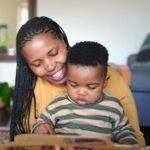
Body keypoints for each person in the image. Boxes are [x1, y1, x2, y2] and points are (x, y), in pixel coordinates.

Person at [10, 16, 144, 146]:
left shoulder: (111, 89)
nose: (50, 66)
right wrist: (40, 129)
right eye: (37, 64)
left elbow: (132, 136)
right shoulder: (42, 96)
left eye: (54, 53)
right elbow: (29, 137)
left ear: (62, 40)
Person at [32, 41, 138, 145]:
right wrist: (40, 127)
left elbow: (125, 131)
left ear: (104, 82)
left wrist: (127, 143)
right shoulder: (56, 106)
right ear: (67, 79)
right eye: (73, 85)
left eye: (91, 87)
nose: (81, 93)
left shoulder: (113, 106)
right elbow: (40, 124)